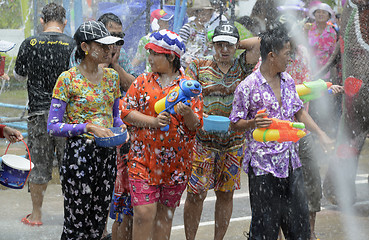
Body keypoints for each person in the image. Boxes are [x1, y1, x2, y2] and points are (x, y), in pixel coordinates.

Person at [229, 25, 334, 240]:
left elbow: (298, 112)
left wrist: (320, 133)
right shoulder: (247, 86)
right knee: (265, 229)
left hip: (290, 163)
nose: (291, 58)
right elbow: (234, 123)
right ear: (271, 55)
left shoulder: (288, 81)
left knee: (299, 228)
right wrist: (252, 123)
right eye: (287, 54)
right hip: (262, 167)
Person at [120, 29, 203, 240]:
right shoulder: (142, 82)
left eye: (155, 53)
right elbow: (126, 112)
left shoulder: (189, 87)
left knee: (164, 218)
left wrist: (188, 115)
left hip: (176, 165)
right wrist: (153, 122)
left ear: (171, 57)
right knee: (143, 214)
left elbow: (196, 126)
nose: (150, 58)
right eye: (150, 52)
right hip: (143, 159)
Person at [47, 20, 126, 239]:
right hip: (79, 158)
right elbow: (53, 126)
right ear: (85, 47)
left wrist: (121, 128)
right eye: (101, 46)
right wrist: (88, 127)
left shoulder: (112, 77)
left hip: (107, 156)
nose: (108, 50)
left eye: (109, 46)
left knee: (98, 223)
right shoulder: (68, 79)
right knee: (76, 225)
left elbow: (115, 116)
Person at [183, 23, 260, 240]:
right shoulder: (197, 66)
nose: (224, 50)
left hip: (233, 143)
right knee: (196, 194)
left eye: (229, 45)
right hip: (203, 142)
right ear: (211, 45)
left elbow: (258, 43)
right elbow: (187, 94)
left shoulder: (242, 66)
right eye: (219, 44)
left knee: (226, 194)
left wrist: (236, 44)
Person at [13, 3, 75, 226]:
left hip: (39, 114)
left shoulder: (30, 43)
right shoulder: (73, 44)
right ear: (64, 22)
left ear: (42, 20)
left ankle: (36, 215)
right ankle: (72, 215)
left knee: (39, 165)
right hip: (67, 116)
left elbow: (19, 76)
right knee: (70, 165)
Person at [69, 12, 136, 92]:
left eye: (119, 36)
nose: (115, 41)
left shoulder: (121, 53)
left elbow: (133, 88)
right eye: (112, 35)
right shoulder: (84, 50)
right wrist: (105, 60)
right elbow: (79, 86)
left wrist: (116, 65)